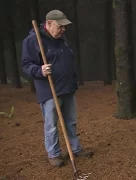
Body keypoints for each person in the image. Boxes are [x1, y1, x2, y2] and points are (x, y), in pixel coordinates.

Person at [21, 10, 93, 167]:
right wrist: (40, 70)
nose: (63, 30)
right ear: (49, 24)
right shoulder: (34, 40)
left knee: (71, 121)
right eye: (60, 26)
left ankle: (75, 148)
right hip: (50, 90)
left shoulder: (61, 38)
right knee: (51, 124)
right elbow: (26, 65)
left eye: (64, 27)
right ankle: (54, 154)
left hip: (68, 87)